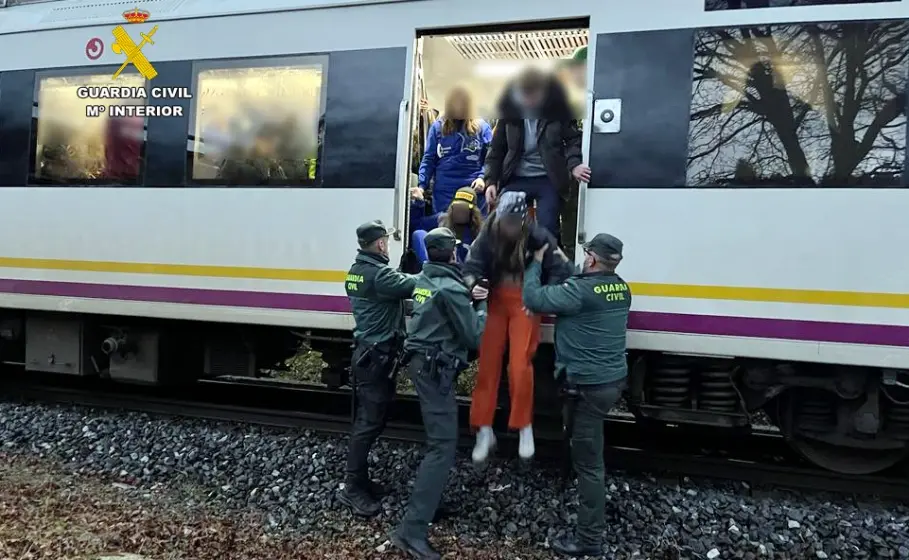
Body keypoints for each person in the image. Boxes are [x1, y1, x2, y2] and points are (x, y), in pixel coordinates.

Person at [521, 233, 631, 558]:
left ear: (593, 259)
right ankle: (591, 511)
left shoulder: (579, 293)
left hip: (586, 386)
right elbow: (580, 287)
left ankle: (589, 540)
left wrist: (535, 262)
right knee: (588, 453)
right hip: (611, 382)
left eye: (586, 254)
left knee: (590, 464)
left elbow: (533, 297)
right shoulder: (621, 288)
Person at [391, 227, 489, 560]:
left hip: (423, 364)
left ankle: (428, 506)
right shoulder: (450, 288)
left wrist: (466, 294)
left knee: (439, 442)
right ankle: (411, 532)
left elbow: (441, 301)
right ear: (452, 254)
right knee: (442, 446)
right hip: (436, 369)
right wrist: (481, 307)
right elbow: (476, 337)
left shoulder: (423, 280)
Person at [463, 191, 573, 463]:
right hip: (495, 300)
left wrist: (542, 296)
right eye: (504, 221)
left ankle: (525, 426)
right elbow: (470, 267)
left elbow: (563, 269)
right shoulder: (488, 233)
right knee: (487, 365)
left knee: (520, 365)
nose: (507, 226)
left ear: (523, 220)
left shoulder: (538, 235)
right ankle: (484, 429)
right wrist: (473, 285)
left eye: (512, 222)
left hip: (525, 300)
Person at [338, 220, 416, 518]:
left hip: (369, 355)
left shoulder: (357, 271)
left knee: (370, 421)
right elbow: (416, 284)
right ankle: (352, 487)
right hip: (376, 357)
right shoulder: (380, 275)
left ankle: (360, 480)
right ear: (381, 244)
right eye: (386, 241)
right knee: (368, 423)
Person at [483, 66, 591, 243]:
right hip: (516, 177)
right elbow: (496, 150)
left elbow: (573, 140)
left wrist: (574, 165)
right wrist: (491, 181)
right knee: (504, 221)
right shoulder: (509, 115)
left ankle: (548, 264)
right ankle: (508, 264)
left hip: (547, 177)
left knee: (548, 227)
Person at [418, 86, 493, 214]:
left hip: (474, 188)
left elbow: (491, 159)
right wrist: (421, 186)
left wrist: (482, 177)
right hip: (445, 191)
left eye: (462, 104)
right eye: (455, 104)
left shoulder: (482, 128)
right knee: (445, 229)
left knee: (475, 228)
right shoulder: (438, 128)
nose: (458, 108)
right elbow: (429, 159)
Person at [410, 186, 483, 265]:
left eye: (464, 208)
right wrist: (419, 203)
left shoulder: (480, 231)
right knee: (419, 234)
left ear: (473, 212)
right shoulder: (442, 219)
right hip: (437, 266)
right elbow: (415, 224)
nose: (459, 212)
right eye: (457, 207)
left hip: (464, 272)